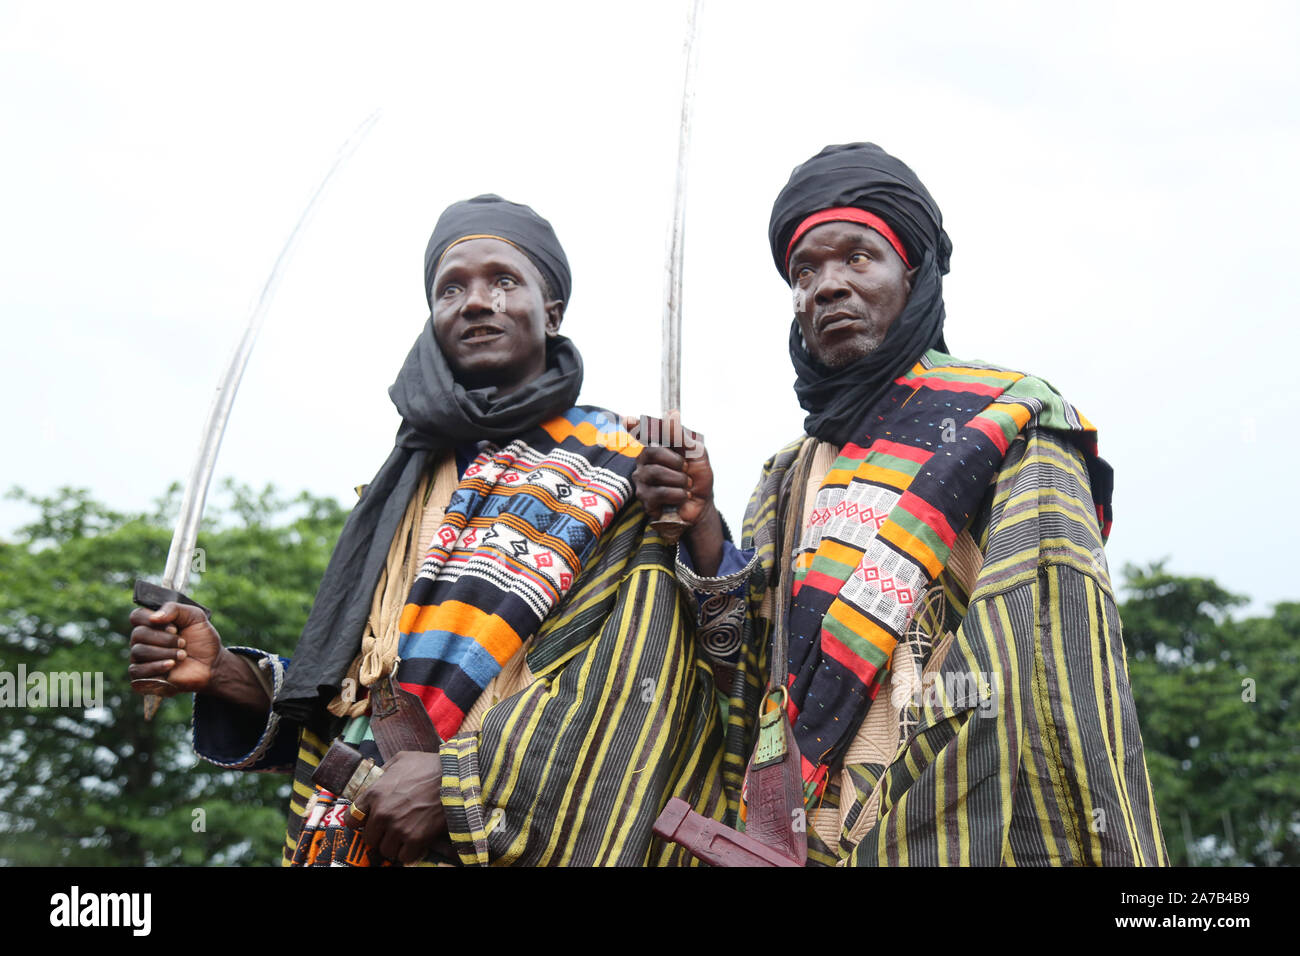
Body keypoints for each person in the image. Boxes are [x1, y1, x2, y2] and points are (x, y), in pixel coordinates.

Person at [129, 194, 725, 867]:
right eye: (451, 288)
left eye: (503, 281)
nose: (475, 302)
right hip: (361, 833)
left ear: (551, 310)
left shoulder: (627, 466)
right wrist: (229, 675)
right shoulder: (403, 481)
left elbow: (636, 685)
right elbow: (361, 692)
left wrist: (455, 783)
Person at [634, 143, 1169, 867]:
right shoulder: (789, 474)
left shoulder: (1012, 423)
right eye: (805, 271)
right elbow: (749, 674)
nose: (826, 286)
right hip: (797, 834)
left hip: (957, 826)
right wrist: (701, 524)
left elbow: (1048, 667)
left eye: (857, 258)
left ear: (911, 274)